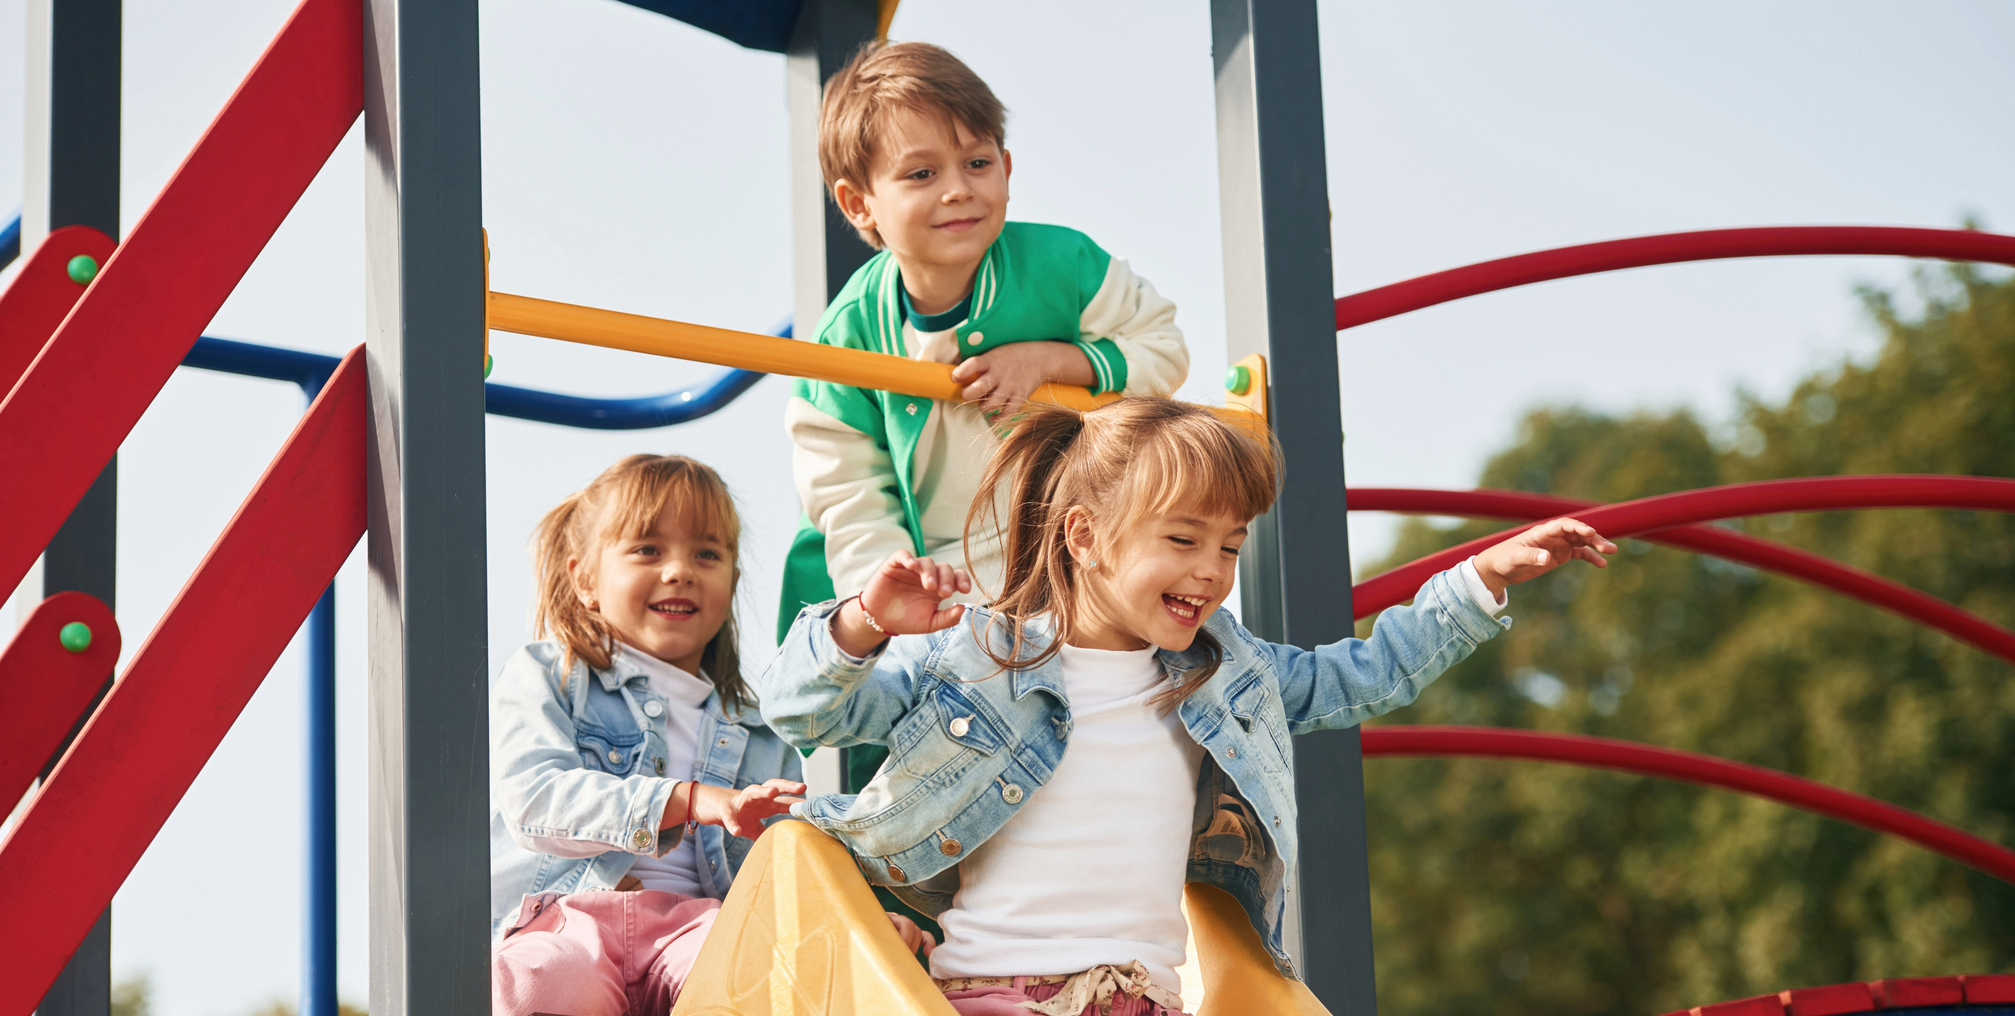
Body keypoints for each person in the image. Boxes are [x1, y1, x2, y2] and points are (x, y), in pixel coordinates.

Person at [761, 398, 1618, 1016]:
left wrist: (1478, 583)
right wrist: (863, 622)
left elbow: (1361, 675)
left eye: (1229, 546)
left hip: (1147, 1000)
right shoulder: (982, 659)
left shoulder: (1222, 674)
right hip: (996, 993)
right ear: (1085, 536)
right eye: (1182, 540)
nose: (1211, 570)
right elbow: (802, 713)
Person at [489, 454, 931, 1016]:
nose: (680, 570)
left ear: (732, 582)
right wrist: (691, 800)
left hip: (698, 926)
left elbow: (785, 867)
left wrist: (854, 920)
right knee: (540, 983)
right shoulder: (553, 674)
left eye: (707, 553)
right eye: (648, 549)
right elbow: (535, 798)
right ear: (585, 580)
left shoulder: (761, 732)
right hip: (567, 916)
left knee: (766, 980)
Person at [780, 40, 1191, 641]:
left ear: (1007, 167)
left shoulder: (1064, 264)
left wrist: (1055, 360)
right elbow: (848, 488)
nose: (958, 189)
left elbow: (1164, 347)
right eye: (921, 174)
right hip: (942, 571)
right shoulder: (849, 336)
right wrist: (896, 582)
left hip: (1068, 543)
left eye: (977, 163)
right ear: (859, 204)